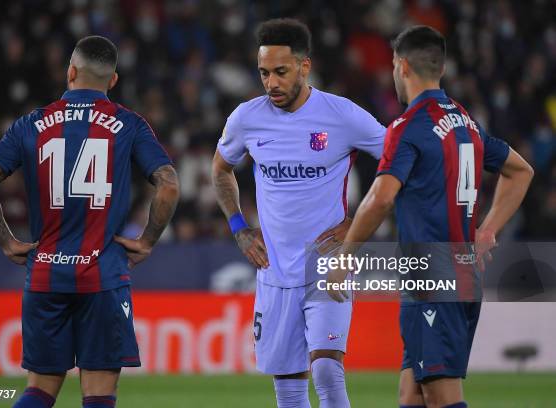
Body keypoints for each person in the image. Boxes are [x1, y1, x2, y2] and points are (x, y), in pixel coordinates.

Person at [0, 35, 179, 408]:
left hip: (46, 274)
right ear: (112, 81)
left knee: (39, 391)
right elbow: (168, 185)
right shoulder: (128, 124)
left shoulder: (31, 123)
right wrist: (146, 240)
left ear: (70, 72)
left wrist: (7, 241)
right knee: (98, 395)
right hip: (103, 277)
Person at [327, 26, 533, 408]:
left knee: (440, 395)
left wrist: (346, 254)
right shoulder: (465, 122)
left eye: (392, 65)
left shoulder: (408, 127)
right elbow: (521, 171)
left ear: (402, 66)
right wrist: (487, 229)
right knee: (412, 393)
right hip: (463, 273)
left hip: (432, 277)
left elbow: (381, 197)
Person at [212, 18, 386, 408]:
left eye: (280, 72)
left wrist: (357, 223)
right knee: (288, 389)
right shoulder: (246, 118)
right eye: (263, 73)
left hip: (326, 265)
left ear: (304, 67)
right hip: (273, 269)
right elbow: (220, 170)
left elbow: (399, 159)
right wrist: (239, 227)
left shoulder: (342, 115)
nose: (271, 83)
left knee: (326, 370)